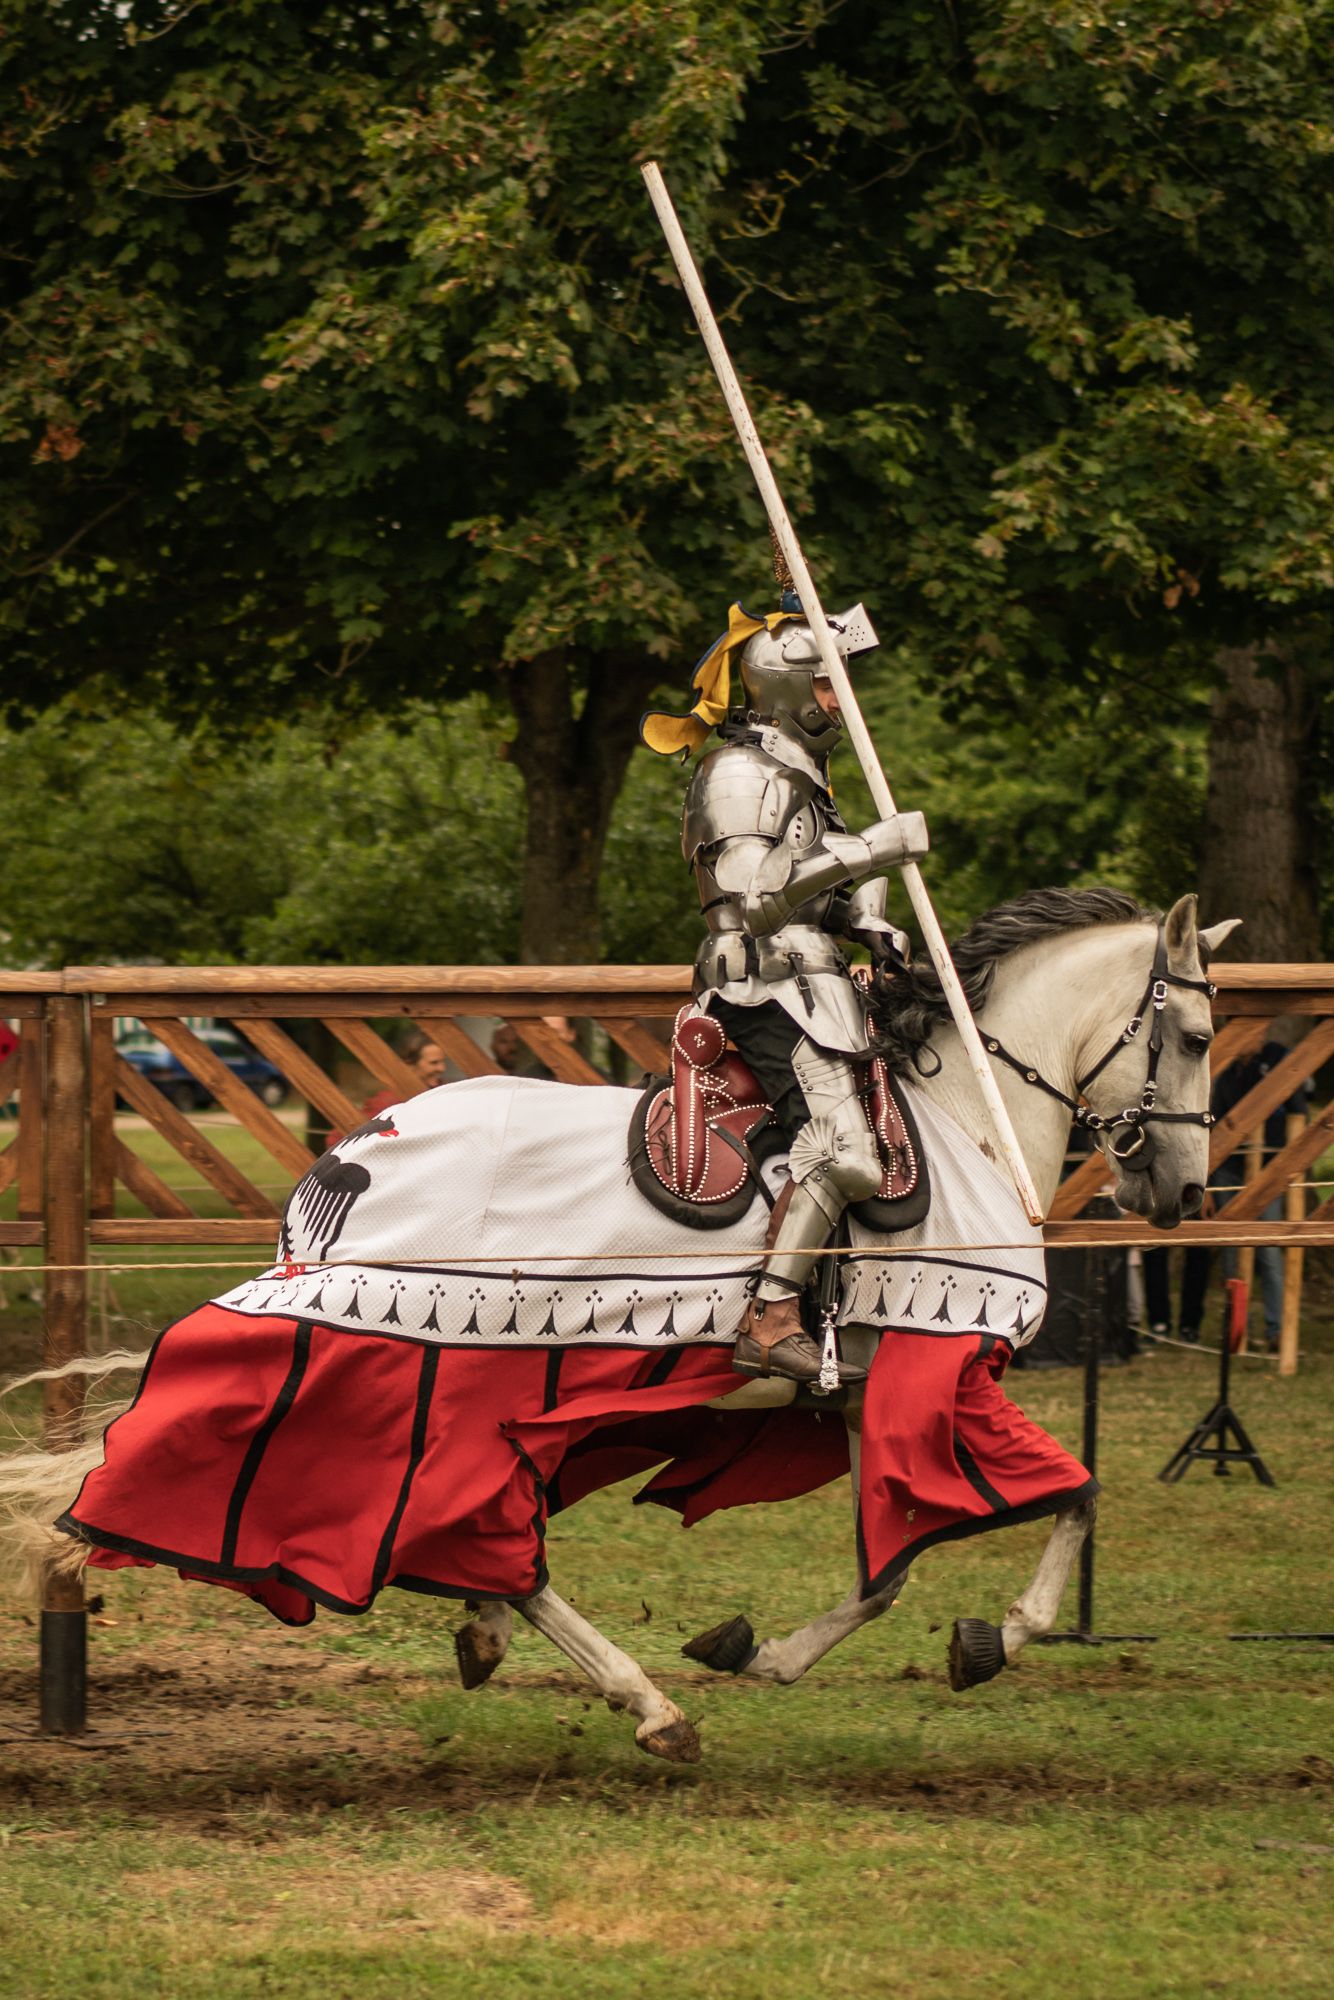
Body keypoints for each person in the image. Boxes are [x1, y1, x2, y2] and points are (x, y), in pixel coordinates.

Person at [641, 583, 927, 1382]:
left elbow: (816, 893)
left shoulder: (803, 779)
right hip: (766, 986)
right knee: (850, 1159)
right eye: (831, 680)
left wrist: (869, 920)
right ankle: (770, 1317)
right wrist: (875, 849)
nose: (844, 700)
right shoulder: (738, 772)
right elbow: (753, 896)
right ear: (788, 685)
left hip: (822, 985)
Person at [1142, 1042, 1309, 1352]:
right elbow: (1215, 1128)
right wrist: (1206, 1184)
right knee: (1231, 1253)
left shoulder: (1278, 1058)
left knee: (1270, 1253)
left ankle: (1277, 1330)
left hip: (1270, 1170)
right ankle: (1236, 1330)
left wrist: (1290, 1167)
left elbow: (1298, 1112)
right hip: (1229, 1170)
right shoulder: (1227, 1072)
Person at [325, 1027, 445, 1148]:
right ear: (409, 1064)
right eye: (433, 1063)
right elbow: (336, 1139)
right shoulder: (389, 1101)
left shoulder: (444, 1093)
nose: (442, 1068)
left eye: (442, 1061)